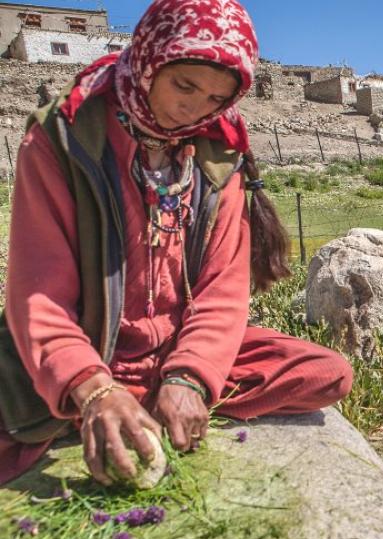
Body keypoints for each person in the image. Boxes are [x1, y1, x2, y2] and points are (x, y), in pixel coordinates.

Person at [0, 0, 353, 487]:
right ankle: (95, 403)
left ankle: (149, 398)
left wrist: (188, 376)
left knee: (324, 373)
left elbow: (222, 288)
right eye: (184, 85)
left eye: (215, 100)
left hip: (169, 351)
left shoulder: (217, 154)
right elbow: (39, 298)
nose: (194, 108)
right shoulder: (65, 140)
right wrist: (93, 388)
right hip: (85, 348)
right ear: (150, 61)